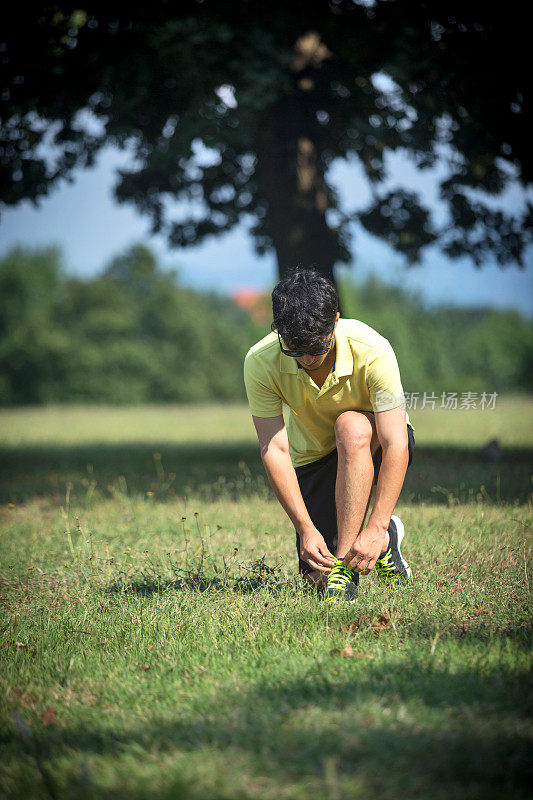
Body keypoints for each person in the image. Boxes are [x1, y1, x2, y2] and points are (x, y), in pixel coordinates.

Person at [243, 269, 415, 603]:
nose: (308, 360)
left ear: (335, 320)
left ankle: (351, 566)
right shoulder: (259, 362)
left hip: (375, 441)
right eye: (295, 351)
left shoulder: (373, 349)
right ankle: (386, 541)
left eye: (317, 347)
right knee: (314, 579)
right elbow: (274, 448)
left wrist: (374, 524)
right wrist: (305, 528)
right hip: (315, 455)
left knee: (350, 426)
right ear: (278, 330)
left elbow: (395, 441)